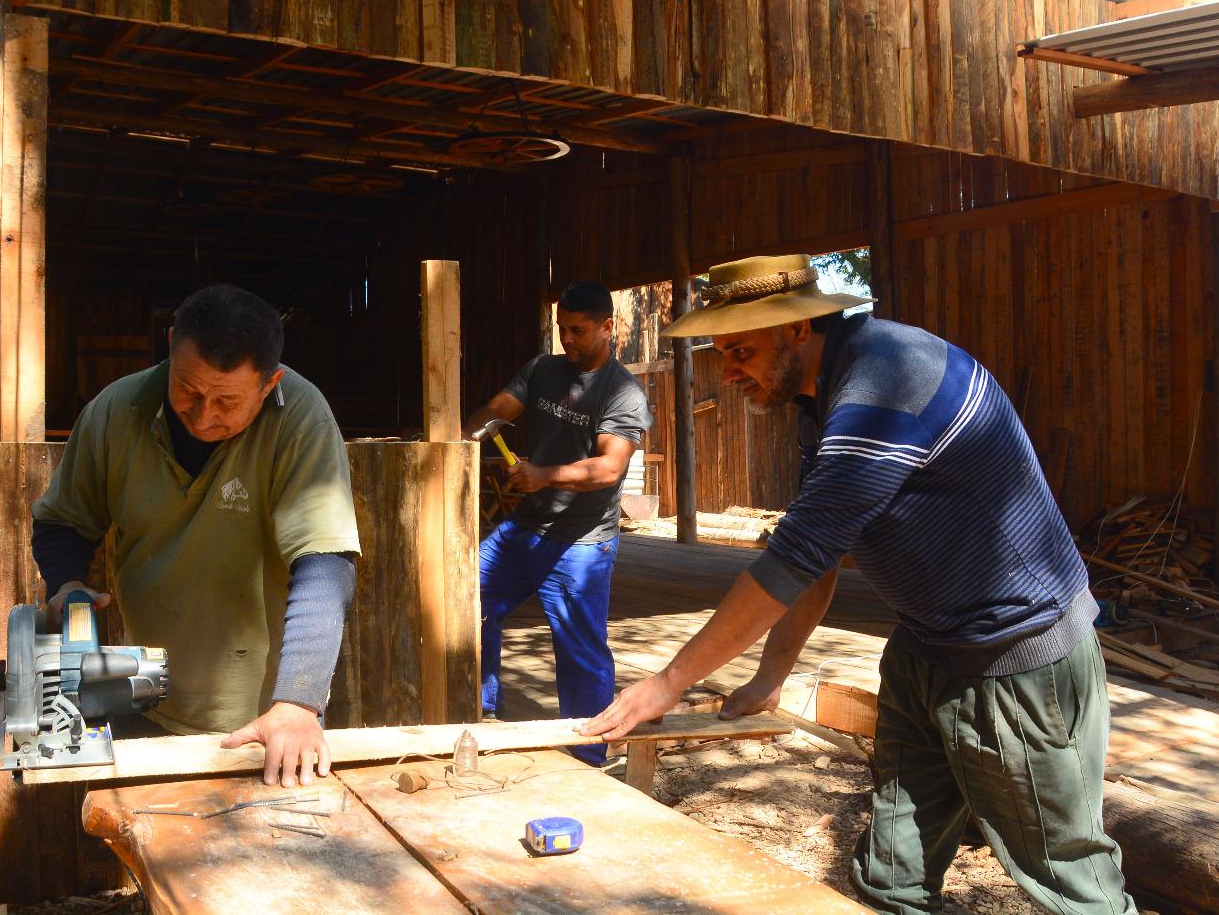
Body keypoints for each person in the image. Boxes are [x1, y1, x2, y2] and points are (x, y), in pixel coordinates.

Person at [581, 254, 1134, 915]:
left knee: (1070, 884)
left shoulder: (887, 384)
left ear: (797, 332)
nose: (727, 373)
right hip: (928, 650)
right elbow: (819, 549)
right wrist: (770, 674)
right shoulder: (830, 392)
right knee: (890, 877)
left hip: (1013, 661)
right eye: (721, 352)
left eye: (740, 351)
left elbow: (791, 560)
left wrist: (667, 683)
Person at [31, 284, 361, 788]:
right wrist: (67, 584)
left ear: (270, 383)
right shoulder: (115, 411)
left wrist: (297, 702)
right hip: (147, 700)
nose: (204, 416)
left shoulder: (302, 418)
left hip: (267, 720)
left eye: (227, 401)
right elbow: (64, 522)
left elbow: (324, 563)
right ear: (170, 345)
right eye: (188, 389)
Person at [463, 280, 651, 759]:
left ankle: (591, 755)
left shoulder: (623, 392)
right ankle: (480, 711)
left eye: (579, 331)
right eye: (562, 329)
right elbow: (495, 410)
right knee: (467, 601)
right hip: (525, 528)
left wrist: (544, 475)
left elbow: (608, 470)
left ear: (609, 328)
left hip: (582, 542)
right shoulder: (543, 370)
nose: (567, 340)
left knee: (580, 651)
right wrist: (454, 440)